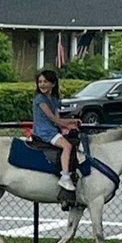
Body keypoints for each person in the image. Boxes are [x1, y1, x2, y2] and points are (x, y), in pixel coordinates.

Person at [31, 69, 80, 200]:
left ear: (53, 84)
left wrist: (71, 122)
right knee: (67, 146)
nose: (42, 84)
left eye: (45, 82)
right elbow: (53, 118)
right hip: (43, 132)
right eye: (40, 82)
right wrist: (69, 123)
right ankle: (65, 176)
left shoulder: (53, 99)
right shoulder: (40, 99)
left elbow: (57, 119)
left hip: (52, 130)